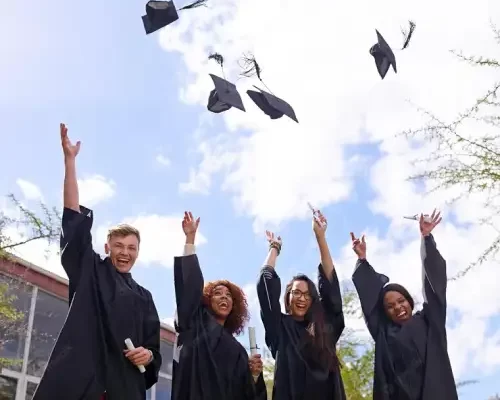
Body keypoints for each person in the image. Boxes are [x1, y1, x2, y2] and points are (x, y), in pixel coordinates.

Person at [33, 123, 162, 400]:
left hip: (124, 388)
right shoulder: (91, 270)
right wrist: (70, 162)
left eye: (131, 247)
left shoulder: (145, 298)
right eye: (118, 246)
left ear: (138, 252)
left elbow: (153, 353)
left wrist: (148, 355)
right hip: (82, 382)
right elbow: (73, 218)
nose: (125, 252)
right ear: (107, 247)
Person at [351, 210, 458, 400]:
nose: (398, 307)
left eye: (401, 301)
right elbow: (370, 303)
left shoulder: (429, 321)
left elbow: (434, 288)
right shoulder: (384, 333)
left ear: (409, 301)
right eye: (390, 306)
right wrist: (362, 259)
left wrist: (426, 238)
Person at [171, 211, 267, 400]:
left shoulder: (238, 351)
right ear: (206, 299)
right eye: (217, 293)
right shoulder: (193, 324)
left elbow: (247, 395)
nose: (224, 298)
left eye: (228, 296)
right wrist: (190, 239)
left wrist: (254, 376)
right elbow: (188, 287)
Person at [256, 210, 346, 400]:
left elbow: (331, 287)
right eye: (296, 292)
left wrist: (320, 237)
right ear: (288, 296)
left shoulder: (324, 327)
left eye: (307, 294)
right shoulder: (279, 327)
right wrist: (274, 248)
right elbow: (265, 283)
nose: (302, 298)